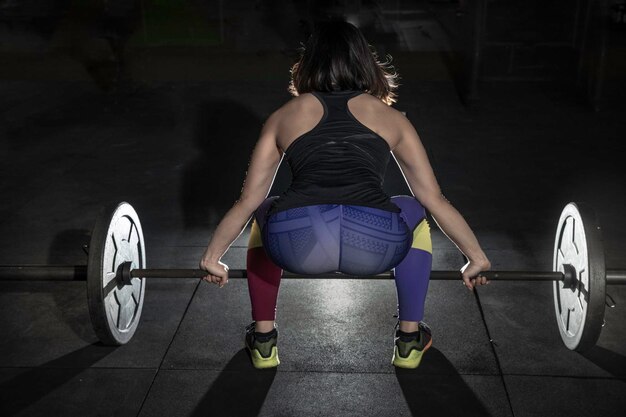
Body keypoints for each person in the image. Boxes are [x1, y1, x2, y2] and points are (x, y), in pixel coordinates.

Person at [199, 20, 491, 370]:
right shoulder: (392, 119)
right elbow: (435, 200)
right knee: (412, 208)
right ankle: (410, 339)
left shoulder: (283, 117)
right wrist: (475, 256)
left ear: (309, 63)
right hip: (373, 244)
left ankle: (263, 340)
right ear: (364, 62)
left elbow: (246, 202)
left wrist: (213, 256)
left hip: (298, 244)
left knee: (265, 210)